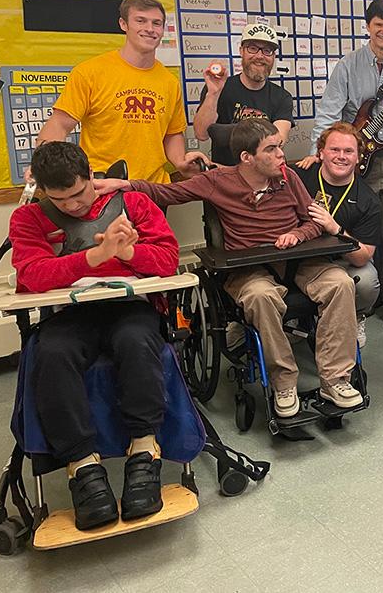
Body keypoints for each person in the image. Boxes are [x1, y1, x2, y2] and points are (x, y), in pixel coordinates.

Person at [96, 118, 362, 417]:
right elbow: (165, 194)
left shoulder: (288, 179)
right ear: (247, 157)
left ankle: (336, 380)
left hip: (297, 259)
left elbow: (314, 220)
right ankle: (284, 383)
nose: (280, 156)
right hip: (247, 268)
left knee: (341, 282)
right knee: (262, 296)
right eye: (271, 149)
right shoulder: (217, 182)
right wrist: (126, 185)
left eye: (280, 148)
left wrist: (297, 234)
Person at [9, 141, 179, 530]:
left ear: (92, 178)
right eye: (61, 199)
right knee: (50, 352)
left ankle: (144, 449)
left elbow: (167, 260)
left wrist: (128, 254)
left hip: (130, 306)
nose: (72, 206)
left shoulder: (132, 204)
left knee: (135, 341)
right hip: (72, 313)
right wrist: (93, 258)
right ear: (44, 192)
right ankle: (82, 465)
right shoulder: (29, 218)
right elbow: (32, 275)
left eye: (79, 193)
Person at [300, 0, 383, 330]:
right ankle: (357, 297)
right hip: (356, 164)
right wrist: (320, 151)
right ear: (368, 26)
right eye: (379, 24)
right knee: (356, 230)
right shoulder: (347, 66)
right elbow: (329, 111)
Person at [35, 0, 206, 182]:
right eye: (140, 21)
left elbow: (172, 134)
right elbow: (59, 124)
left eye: (156, 23)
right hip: (102, 185)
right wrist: (42, 163)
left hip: (153, 189)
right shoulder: (90, 72)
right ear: (123, 24)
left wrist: (180, 162)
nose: (150, 29)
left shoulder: (169, 82)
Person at [294, 122, 383, 347]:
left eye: (348, 151)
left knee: (367, 280)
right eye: (334, 150)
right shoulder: (300, 176)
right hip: (298, 260)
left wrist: (335, 229)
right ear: (321, 152)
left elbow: (363, 256)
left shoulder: (368, 200)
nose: (341, 156)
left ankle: (357, 315)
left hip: (342, 262)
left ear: (358, 158)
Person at [192, 23, 294, 165]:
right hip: (225, 176)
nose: (259, 56)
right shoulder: (218, 89)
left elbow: (277, 141)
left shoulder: (282, 97)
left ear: (273, 56)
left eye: (267, 51)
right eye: (252, 48)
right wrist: (213, 94)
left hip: (265, 177)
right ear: (241, 51)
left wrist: (220, 132)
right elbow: (201, 133)